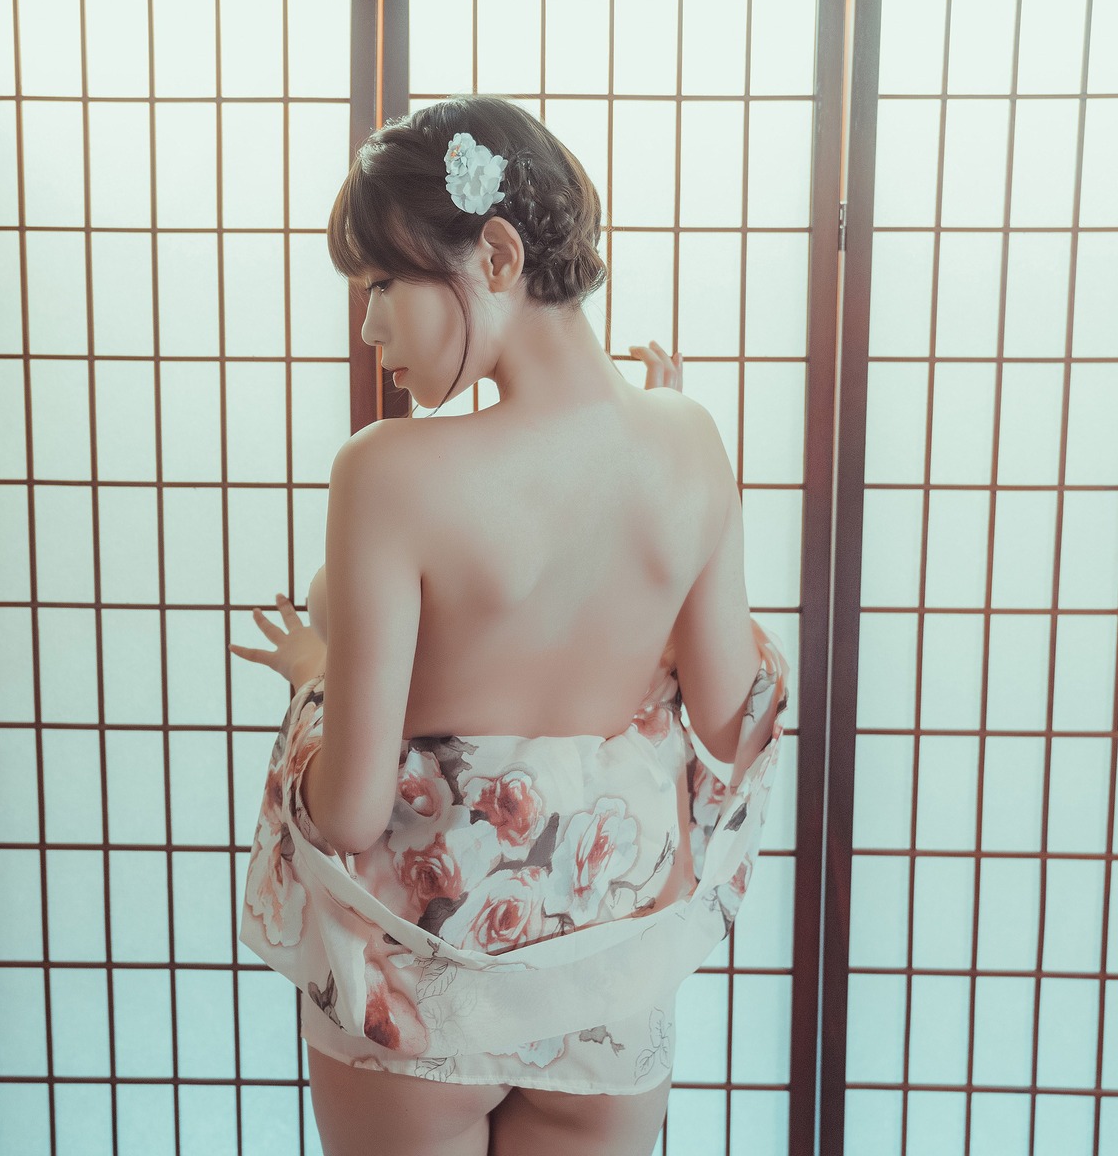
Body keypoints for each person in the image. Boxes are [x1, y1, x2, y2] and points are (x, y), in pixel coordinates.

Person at [227, 95, 791, 1156]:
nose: (370, 328)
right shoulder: (686, 440)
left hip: (419, 990)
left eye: (382, 285)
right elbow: (733, 720)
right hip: (607, 978)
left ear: (494, 254)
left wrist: (316, 676)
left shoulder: (386, 470)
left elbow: (349, 810)